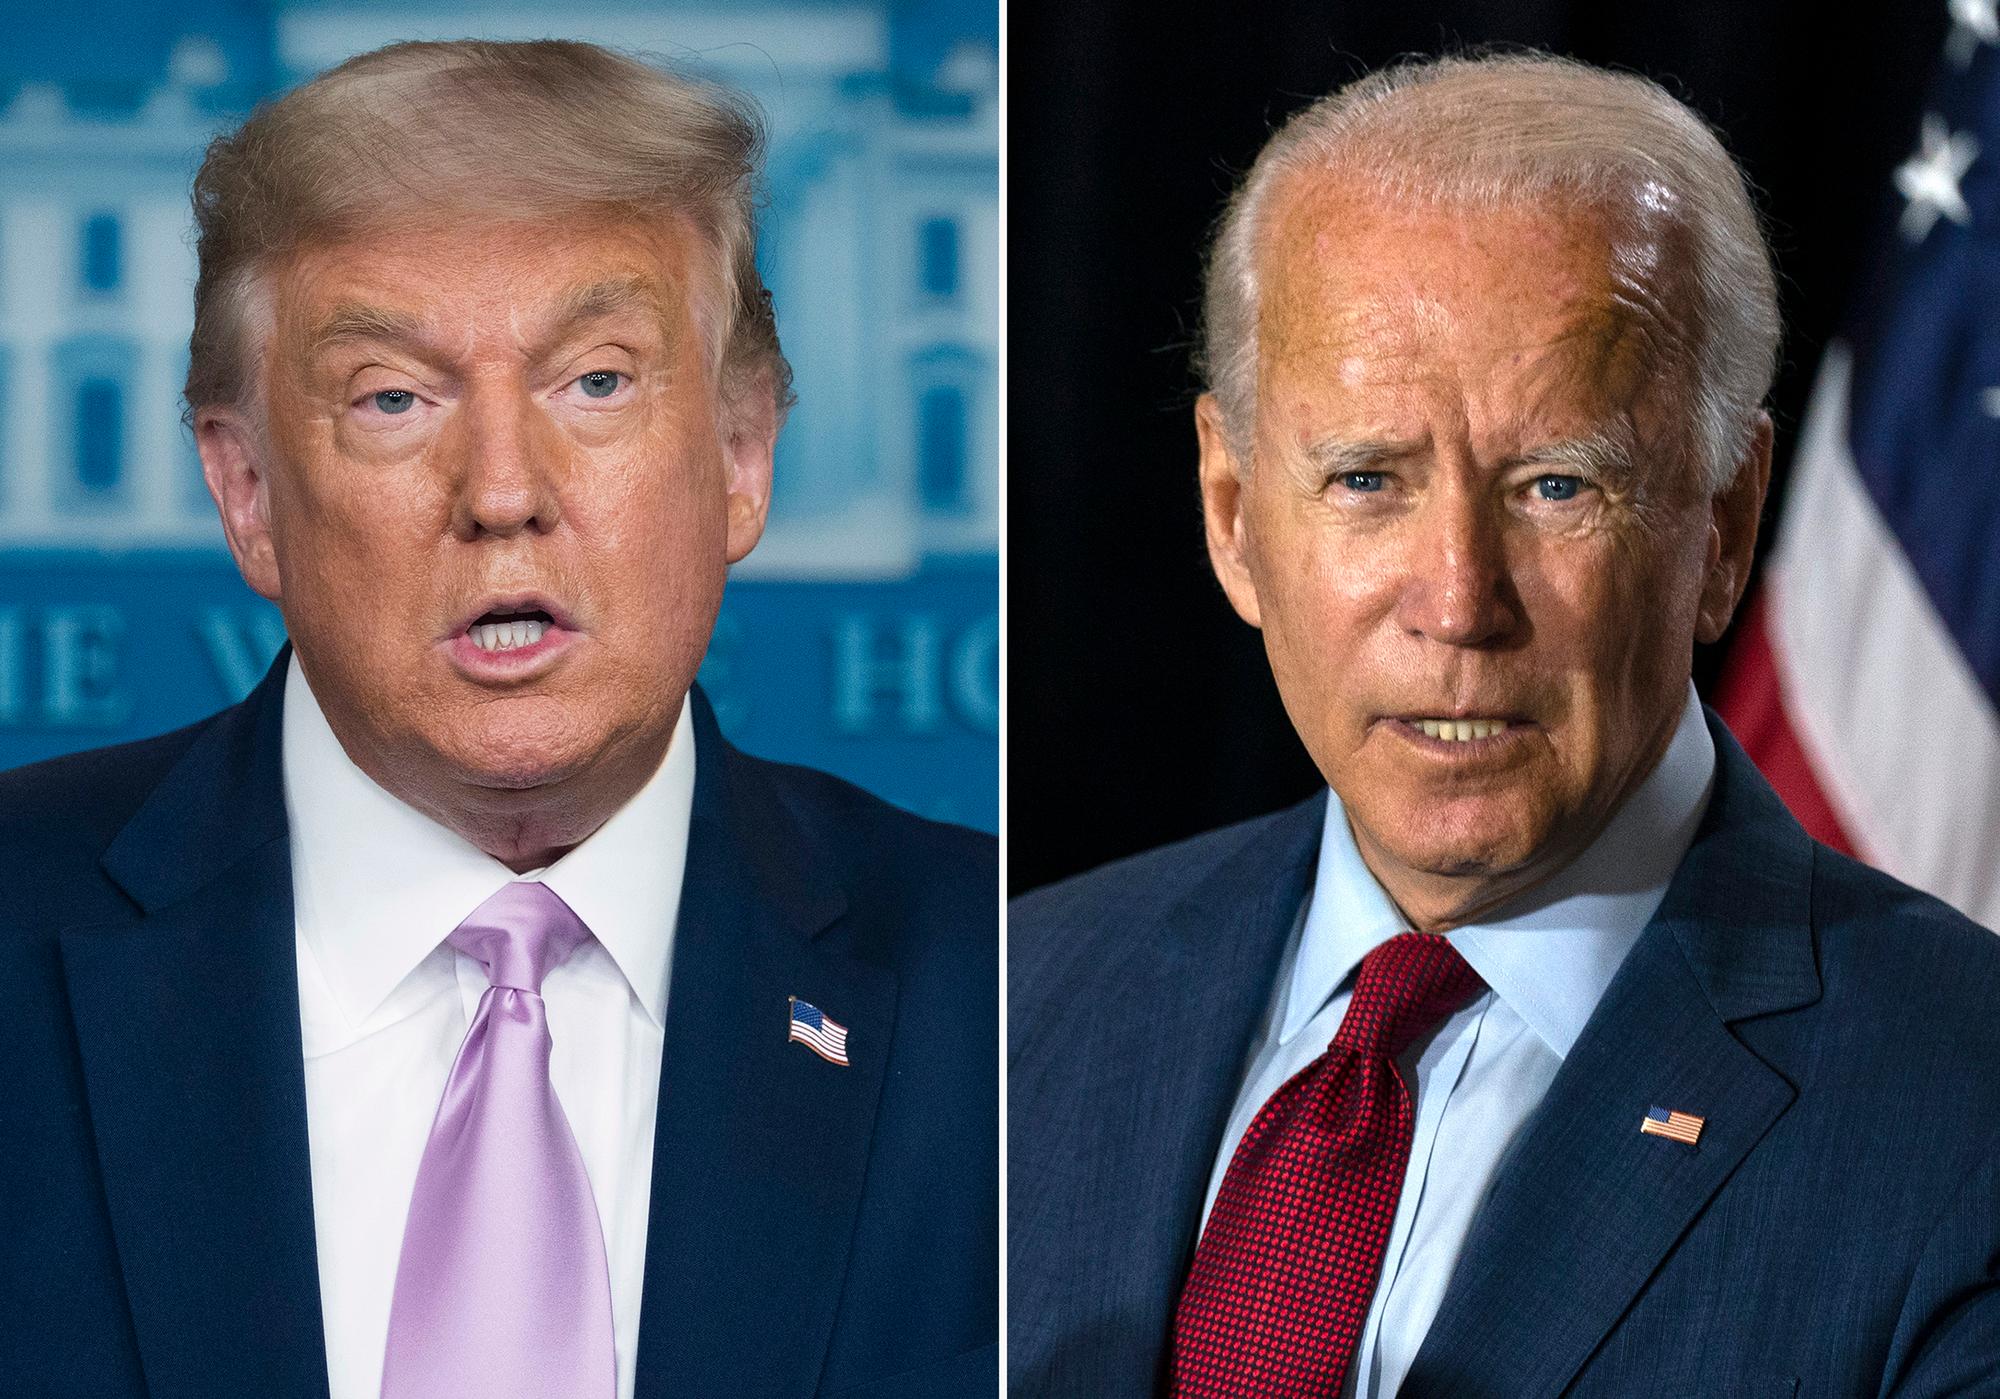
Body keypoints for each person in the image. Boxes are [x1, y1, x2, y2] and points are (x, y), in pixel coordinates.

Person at [0, 39, 995, 1399]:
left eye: (596, 380)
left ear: (744, 453)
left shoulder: (1003, 990)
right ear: (245, 492)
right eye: (395, 398)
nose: (505, 491)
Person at [1010, 53, 2000, 1399]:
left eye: (1555, 484)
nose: (1460, 600)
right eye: (1367, 478)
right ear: (1235, 516)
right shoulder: (1010, 1014)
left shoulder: (1963, 1111)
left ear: (1720, 524)